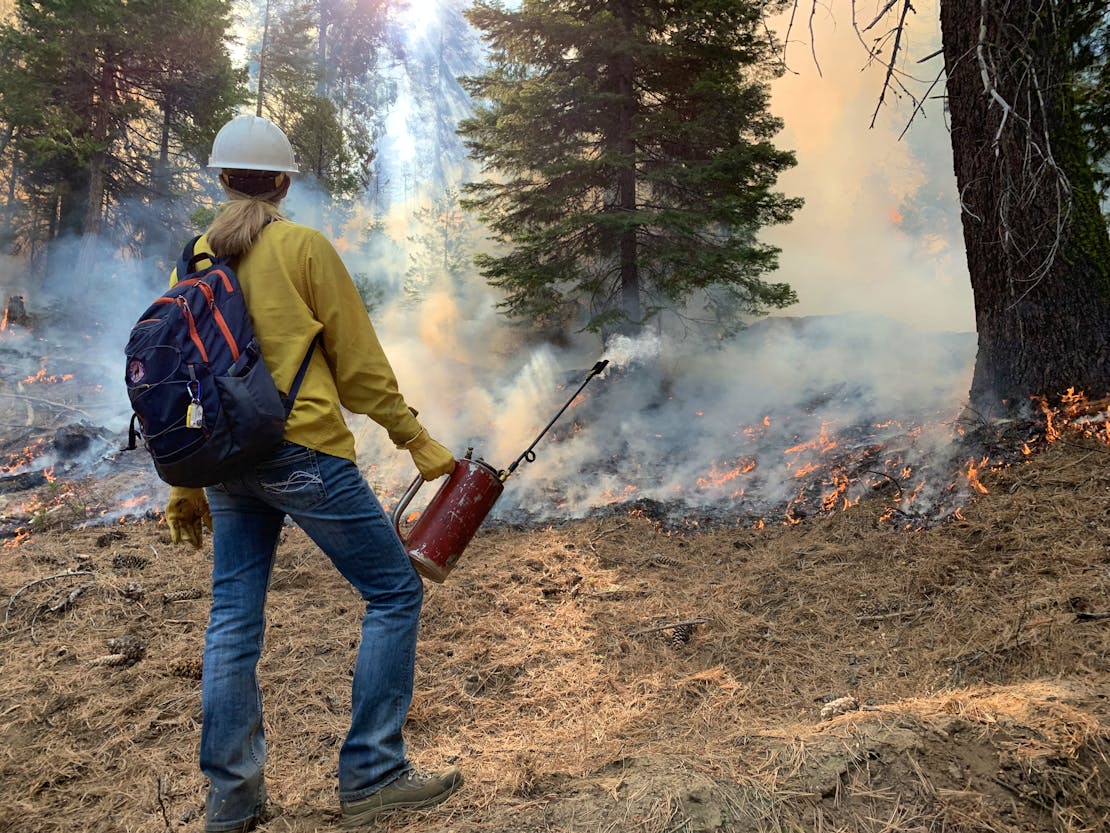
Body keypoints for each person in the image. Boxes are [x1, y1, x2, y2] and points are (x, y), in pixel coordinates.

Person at [162, 114, 463, 833]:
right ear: (285, 182)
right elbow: (358, 367)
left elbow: (175, 372)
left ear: (222, 177)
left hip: (229, 462)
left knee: (233, 621)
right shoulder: (302, 247)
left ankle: (231, 802)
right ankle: (373, 774)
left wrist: (184, 481)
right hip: (303, 452)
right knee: (393, 592)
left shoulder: (194, 258)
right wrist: (416, 439)